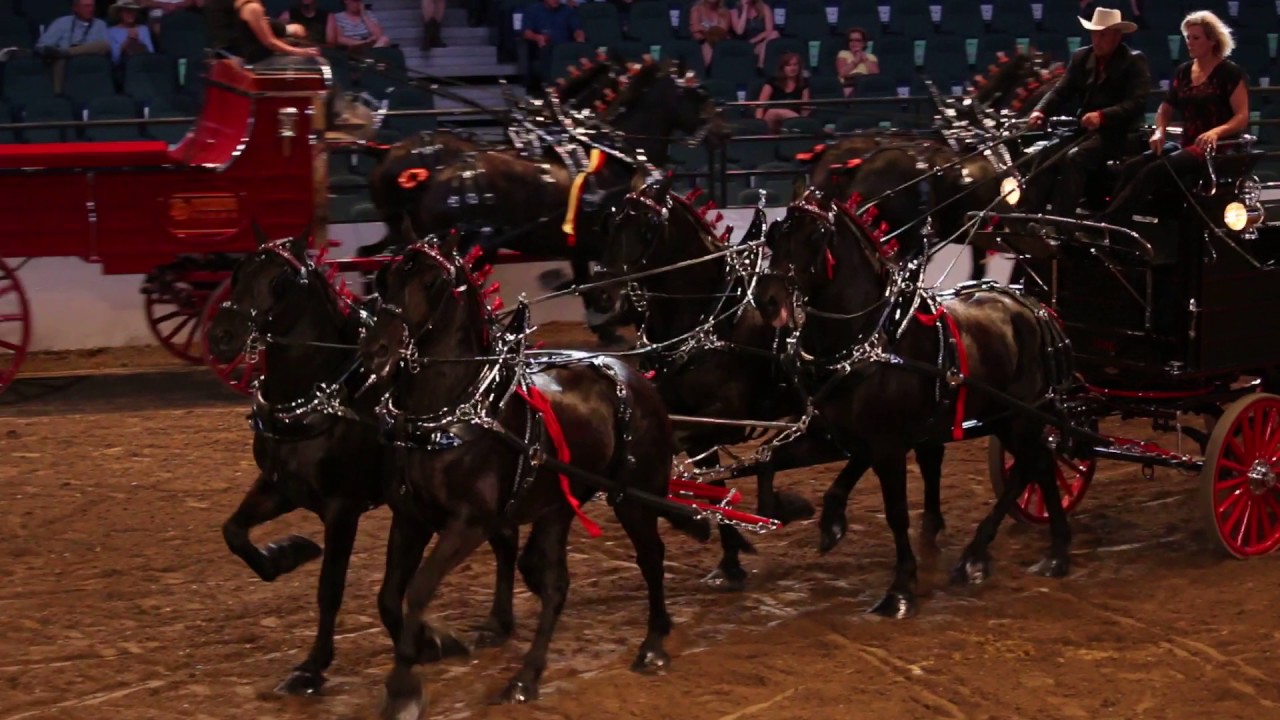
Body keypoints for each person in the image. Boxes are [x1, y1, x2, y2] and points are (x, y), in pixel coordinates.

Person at [1099, 10, 1248, 224]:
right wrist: (1160, 131)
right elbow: (1166, 107)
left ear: (1212, 40)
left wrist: (1216, 132)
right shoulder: (1184, 71)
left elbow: (1242, 116)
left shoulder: (1229, 73)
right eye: (1188, 37)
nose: (1189, 42)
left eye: (1196, 38)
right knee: (1133, 166)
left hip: (1214, 146)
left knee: (1154, 171)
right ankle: (1115, 221)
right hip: (1188, 143)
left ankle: (1110, 222)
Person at [1023, 7, 1150, 221]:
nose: (1097, 40)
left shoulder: (1133, 61)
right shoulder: (1082, 57)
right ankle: (1028, 216)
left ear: (1117, 36)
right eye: (1094, 34)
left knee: (1076, 158)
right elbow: (1061, 91)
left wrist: (1103, 116)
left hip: (1121, 133)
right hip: (1086, 131)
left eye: (1103, 35)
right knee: (1046, 153)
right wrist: (1040, 110)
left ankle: (1062, 223)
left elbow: (1137, 103)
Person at [205, 0, 318, 64]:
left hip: (253, 56)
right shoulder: (252, 8)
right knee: (318, 63)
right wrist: (299, 52)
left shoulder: (239, 8)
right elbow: (270, 42)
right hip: (258, 60)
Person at [35, 0, 111, 94]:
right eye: (86, 6)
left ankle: (66, 52)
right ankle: (57, 94)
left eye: (92, 6)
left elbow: (105, 48)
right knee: (59, 57)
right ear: (76, 8)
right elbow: (41, 45)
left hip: (89, 59)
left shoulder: (100, 24)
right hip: (66, 61)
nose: (91, 9)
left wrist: (65, 52)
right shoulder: (61, 22)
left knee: (104, 44)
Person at [521, 0, 584, 95]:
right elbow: (526, 33)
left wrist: (579, 36)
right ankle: (551, 87)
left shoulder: (567, 10)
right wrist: (537, 37)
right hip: (545, 47)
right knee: (547, 52)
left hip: (564, 48)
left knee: (580, 50)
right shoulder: (533, 10)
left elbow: (577, 29)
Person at [756, 52, 809, 132]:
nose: (792, 68)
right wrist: (759, 126)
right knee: (774, 112)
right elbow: (760, 106)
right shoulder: (773, 82)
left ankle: (804, 126)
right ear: (783, 68)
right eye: (788, 65)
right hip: (771, 122)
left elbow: (805, 109)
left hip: (793, 123)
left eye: (795, 65)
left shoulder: (803, 84)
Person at [730, 0, 777, 71]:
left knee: (775, 34)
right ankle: (759, 67)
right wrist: (745, 10)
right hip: (744, 44)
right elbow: (739, 31)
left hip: (761, 43)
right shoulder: (734, 11)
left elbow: (769, 30)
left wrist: (753, 41)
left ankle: (760, 66)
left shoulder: (764, 8)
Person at [327, 0, 391, 50]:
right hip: (352, 47)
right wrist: (363, 43)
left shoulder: (368, 14)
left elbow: (379, 35)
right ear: (346, 1)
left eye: (359, 1)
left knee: (385, 39)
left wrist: (364, 16)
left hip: (371, 46)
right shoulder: (338, 17)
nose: (356, 4)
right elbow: (339, 39)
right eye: (354, 1)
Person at [835, 26, 878, 98]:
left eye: (857, 40)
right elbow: (842, 73)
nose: (853, 43)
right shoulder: (843, 53)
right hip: (847, 85)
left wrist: (864, 59)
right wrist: (856, 60)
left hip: (866, 86)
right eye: (851, 40)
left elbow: (875, 74)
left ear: (864, 43)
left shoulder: (871, 57)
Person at [108, 0, 155, 65]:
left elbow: (151, 53)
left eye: (133, 11)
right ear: (120, 13)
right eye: (127, 11)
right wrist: (128, 40)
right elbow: (115, 58)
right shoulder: (111, 31)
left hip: (143, 65)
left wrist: (137, 41)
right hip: (123, 67)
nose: (131, 14)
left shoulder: (143, 29)